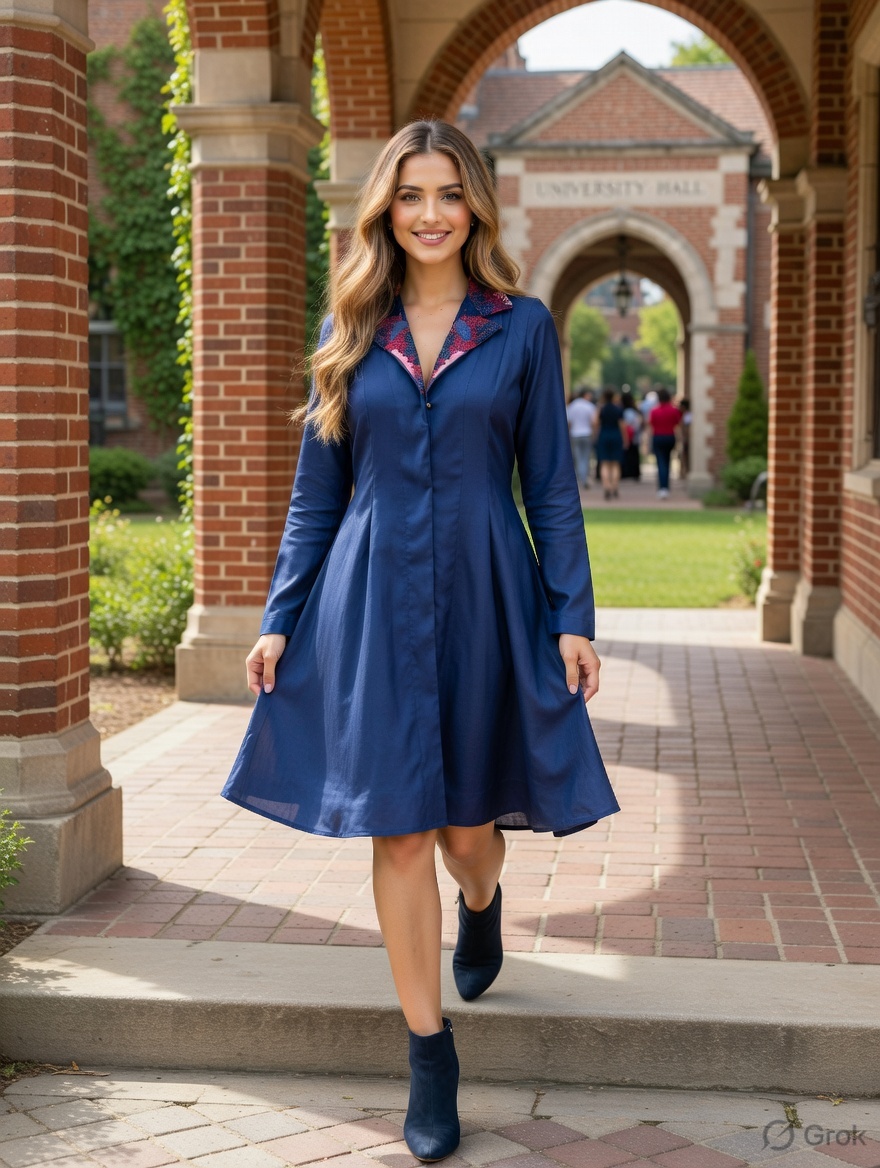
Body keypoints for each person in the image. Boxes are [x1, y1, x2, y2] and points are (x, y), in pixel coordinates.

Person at [221, 120, 620, 1163]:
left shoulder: (521, 327)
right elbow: (318, 493)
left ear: (474, 206)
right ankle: (428, 1052)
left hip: (487, 586)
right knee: (397, 827)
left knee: (463, 828)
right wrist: (279, 613)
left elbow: (550, 485)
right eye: (411, 195)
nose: (431, 213)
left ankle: (481, 900)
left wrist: (570, 613)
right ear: (385, 211)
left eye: (449, 193)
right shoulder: (352, 325)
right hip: (370, 594)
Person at [594, 386, 629, 500]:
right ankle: (614, 487)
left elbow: (595, 423)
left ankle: (606, 486)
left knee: (604, 463)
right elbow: (622, 426)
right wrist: (625, 439)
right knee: (615, 463)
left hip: (604, 436)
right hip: (616, 436)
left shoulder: (601, 409)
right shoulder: (618, 409)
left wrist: (595, 435)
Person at [649, 387, 683, 499]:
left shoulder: (654, 411)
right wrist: (680, 440)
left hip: (658, 437)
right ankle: (666, 487)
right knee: (667, 462)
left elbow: (650, 427)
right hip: (669, 437)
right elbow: (678, 426)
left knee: (660, 463)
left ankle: (662, 487)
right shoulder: (673, 410)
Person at [566, 386, 596, 489]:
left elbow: (569, 422)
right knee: (586, 457)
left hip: (575, 434)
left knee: (577, 457)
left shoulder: (571, 406)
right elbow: (594, 422)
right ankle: (584, 478)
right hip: (587, 433)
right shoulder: (590, 406)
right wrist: (594, 434)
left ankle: (579, 477)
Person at [620, 390, 642, 481]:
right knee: (634, 455)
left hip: (628, 436)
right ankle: (634, 473)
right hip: (634, 436)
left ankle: (626, 472)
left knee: (626, 454)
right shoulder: (634, 411)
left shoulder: (625, 411)